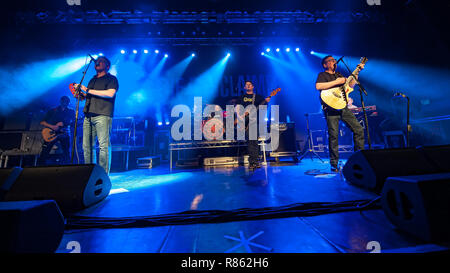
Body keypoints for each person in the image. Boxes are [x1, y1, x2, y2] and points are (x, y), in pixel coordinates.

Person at [315, 55, 365, 172]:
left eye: (334, 60)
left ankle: (359, 159)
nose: (334, 62)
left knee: (358, 130)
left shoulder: (339, 75)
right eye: (331, 61)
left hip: (343, 107)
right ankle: (334, 164)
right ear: (325, 65)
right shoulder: (322, 75)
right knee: (334, 136)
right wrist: (336, 82)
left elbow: (351, 85)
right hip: (330, 109)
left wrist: (357, 72)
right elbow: (318, 86)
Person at [74, 56, 118, 174]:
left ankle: (103, 175)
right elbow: (89, 95)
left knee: (103, 146)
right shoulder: (92, 80)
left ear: (107, 66)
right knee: (86, 146)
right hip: (88, 115)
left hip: (103, 115)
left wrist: (87, 90)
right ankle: (89, 173)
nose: (97, 62)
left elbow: (110, 94)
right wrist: (81, 95)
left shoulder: (111, 79)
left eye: (101, 61)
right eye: (97, 61)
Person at [236, 81, 270, 169]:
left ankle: (255, 161)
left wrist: (266, 102)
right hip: (245, 122)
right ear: (244, 87)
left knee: (254, 141)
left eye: (250, 84)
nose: (248, 86)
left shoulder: (258, 97)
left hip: (255, 121)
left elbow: (263, 108)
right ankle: (253, 161)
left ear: (253, 86)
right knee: (250, 141)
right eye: (246, 85)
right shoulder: (241, 97)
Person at [38, 96, 75, 165]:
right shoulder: (53, 110)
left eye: (66, 101)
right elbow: (42, 122)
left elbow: (73, 122)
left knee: (66, 152)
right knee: (45, 151)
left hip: (64, 133)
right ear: (60, 101)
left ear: (68, 102)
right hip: (51, 133)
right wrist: (53, 126)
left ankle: (68, 168)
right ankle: (40, 167)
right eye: (63, 101)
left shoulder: (71, 111)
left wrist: (66, 123)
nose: (65, 103)